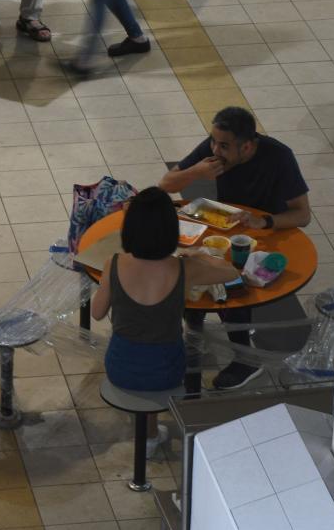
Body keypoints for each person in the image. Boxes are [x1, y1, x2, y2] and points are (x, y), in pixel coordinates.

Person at [159, 106, 312, 390]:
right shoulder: (214, 148)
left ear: (248, 146)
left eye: (225, 146)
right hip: (229, 228)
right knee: (195, 275)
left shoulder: (279, 158)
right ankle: (194, 337)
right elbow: (166, 184)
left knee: (232, 285)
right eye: (213, 141)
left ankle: (246, 360)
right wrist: (196, 172)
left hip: (269, 235)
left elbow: (302, 215)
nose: (216, 150)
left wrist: (263, 221)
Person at [89, 187, 236, 453]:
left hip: (120, 366)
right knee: (156, 364)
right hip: (166, 370)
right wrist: (199, 255)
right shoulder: (182, 268)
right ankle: (151, 435)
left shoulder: (113, 263)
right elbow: (231, 271)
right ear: (171, 231)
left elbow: (97, 312)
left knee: (138, 362)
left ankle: (148, 434)